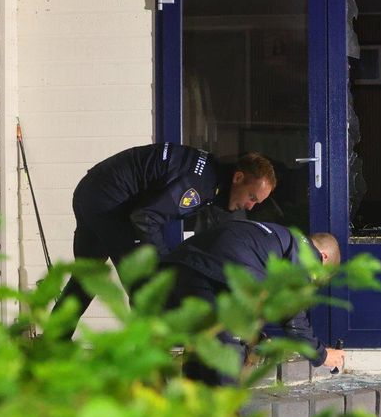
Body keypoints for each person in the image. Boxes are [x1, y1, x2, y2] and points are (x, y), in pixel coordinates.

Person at [54, 143, 276, 336]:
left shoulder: (211, 175)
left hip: (91, 191)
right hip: (111, 201)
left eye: (256, 203)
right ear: (238, 178)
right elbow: (145, 218)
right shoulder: (200, 184)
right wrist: (163, 262)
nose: (250, 206)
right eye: (252, 197)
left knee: (88, 277)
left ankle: (51, 345)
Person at [161, 219, 345, 385]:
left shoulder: (274, 237)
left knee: (200, 356)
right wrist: (323, 355)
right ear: (323, 257)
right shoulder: (306, 254)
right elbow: (292, 316)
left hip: (180, 271)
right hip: (215, 280)